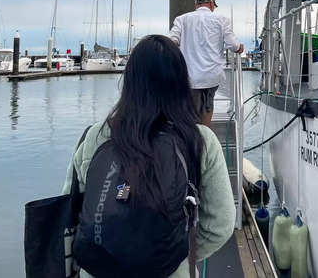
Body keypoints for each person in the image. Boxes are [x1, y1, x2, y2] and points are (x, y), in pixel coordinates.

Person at [61, 35, 235, 277]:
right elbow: (220, 224)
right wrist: (173, 256)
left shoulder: (95, 136)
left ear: (130, 82)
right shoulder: (201, 140)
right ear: (181, 84)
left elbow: (68, 213)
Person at [170, 0, 244, 125]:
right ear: (211, 3)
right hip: (212, 76)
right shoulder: (222, 20)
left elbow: (172, 40)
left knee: (190, 109)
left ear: (196, 4)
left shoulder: (182, 19)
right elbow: (233, 45)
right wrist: (240, 48)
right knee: (208, 106)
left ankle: (191, 137)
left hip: (189, 75)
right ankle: (205, 137)